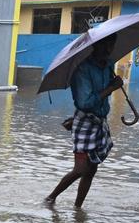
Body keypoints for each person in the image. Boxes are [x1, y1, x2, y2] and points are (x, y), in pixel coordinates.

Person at [45, 34, 121, 207]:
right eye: (105, 45)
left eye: (112, 45)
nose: (109, 50)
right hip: (85, 123)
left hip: (100, 121)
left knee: (91, 170)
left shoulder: (108, 65)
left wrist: (113, 82)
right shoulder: (82, 69)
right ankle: (50, 198)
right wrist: (111, 88)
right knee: (81, 169)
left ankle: (78, 208)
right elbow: (85, 102)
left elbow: (100, 97)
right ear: (96, 46)